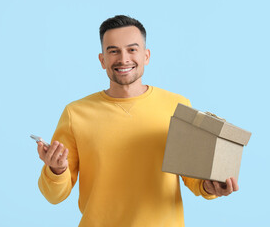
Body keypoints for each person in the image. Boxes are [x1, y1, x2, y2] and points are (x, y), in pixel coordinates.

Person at [37, 15, 239, 227]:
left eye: (132, 49)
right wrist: (56, 170)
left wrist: (211, 187)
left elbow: (195, 180)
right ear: (102, 60)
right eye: (113, 51)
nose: (123, 59)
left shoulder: (177, 106)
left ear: (146, 56)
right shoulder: (75, 113)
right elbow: (54, 196)